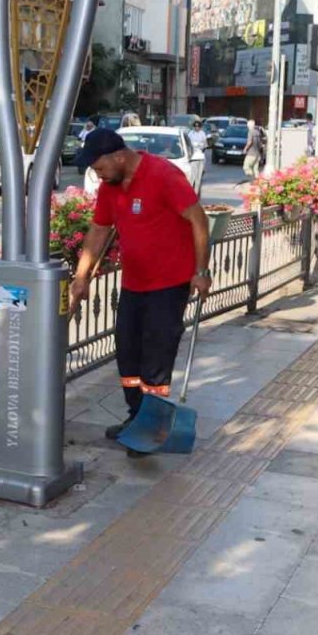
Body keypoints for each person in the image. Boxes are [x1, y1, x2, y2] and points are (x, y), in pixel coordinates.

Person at [67, 129, 212, 458]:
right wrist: (81, 277)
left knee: (156, 359)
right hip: (134, 283)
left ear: (119, 157)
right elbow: (99, 230)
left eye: (99, 167)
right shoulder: (111, 186)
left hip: (169, 284)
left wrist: (200, 272)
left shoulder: (163, 175)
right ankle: (136, 418)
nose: (98, 174)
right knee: (128, 355)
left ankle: (154, 425)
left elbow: (198, 220)